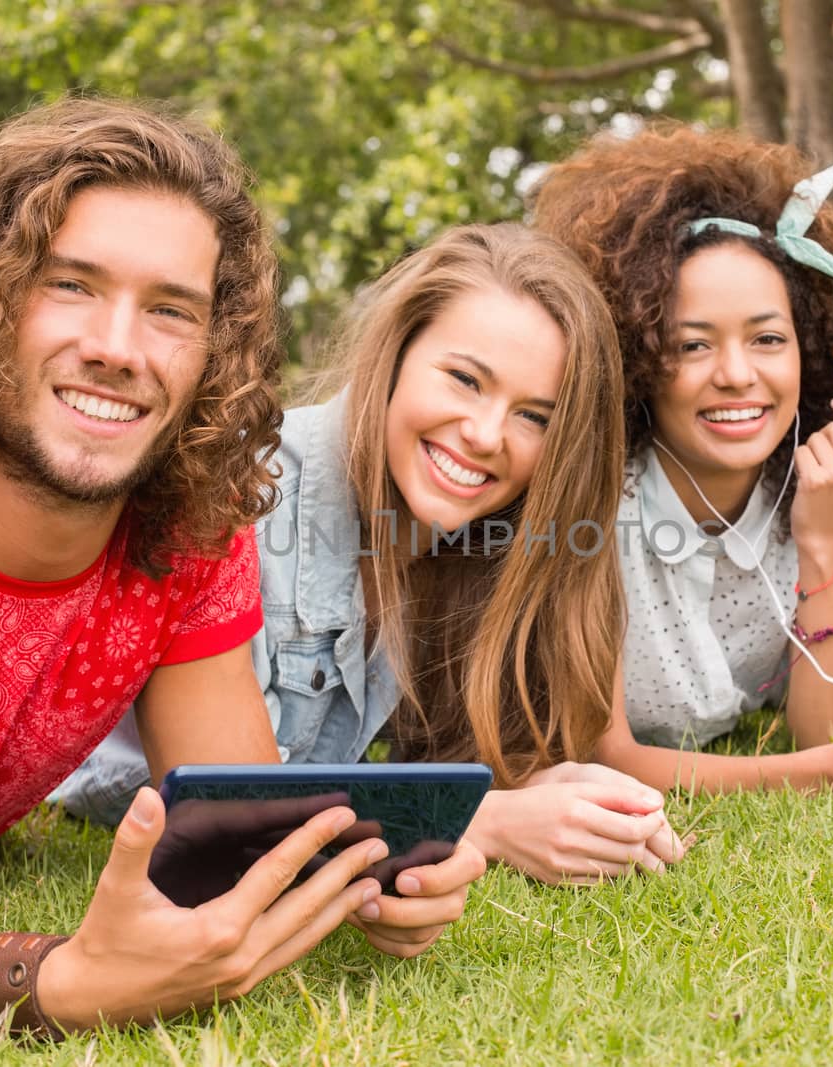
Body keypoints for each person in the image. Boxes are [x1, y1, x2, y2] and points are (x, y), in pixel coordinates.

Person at [0, 97, 481, 1037]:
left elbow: (238, 828)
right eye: (69, 285)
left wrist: (370, 877)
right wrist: (56, 981)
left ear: (213, 353)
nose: (117, 348)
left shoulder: (184, 517)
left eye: (170, 311)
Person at [56, 222, 689, 884]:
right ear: (396, 355)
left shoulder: (470, 537)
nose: (485, 434)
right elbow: (232, 812)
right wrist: (489, 822)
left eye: (535, 416)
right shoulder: (247, 501)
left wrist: (556, 789)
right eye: (465, 379)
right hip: (109, 792)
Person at [530, 125, 833, 793]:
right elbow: (603, 756)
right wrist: (821, 773)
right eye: (691, 345)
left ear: (807, 348)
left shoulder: (810, 484)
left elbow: (829, 731)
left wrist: (829, 535)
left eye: (768, 338)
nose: (737, 374)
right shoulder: (595, 499)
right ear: (635, 358)